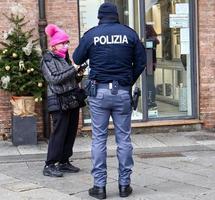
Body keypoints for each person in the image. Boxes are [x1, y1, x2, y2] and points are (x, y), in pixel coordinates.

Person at [73, 3, 146, 199]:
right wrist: (128, 81)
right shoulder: (129, 34)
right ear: (117, 16)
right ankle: (124, 185)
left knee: (99, 139)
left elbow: (77, 58)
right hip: (122, 91)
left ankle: (99, 187)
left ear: (99, 16)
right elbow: (141, 62)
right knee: (124, 139)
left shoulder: (92, 34)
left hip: (99, 92)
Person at [41, 24, 84, 177]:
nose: (66, 46)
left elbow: (71, 79)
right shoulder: (47, 59)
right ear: (54, 45)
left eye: (67, 43)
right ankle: (50, 164)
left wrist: (79, 72)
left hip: (71, 99)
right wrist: (72, 69)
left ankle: (64, 162)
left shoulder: (64, 59)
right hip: (58, 101)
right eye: (63, 43)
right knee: (59, 133)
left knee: (70, 132)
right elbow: (54, 79)